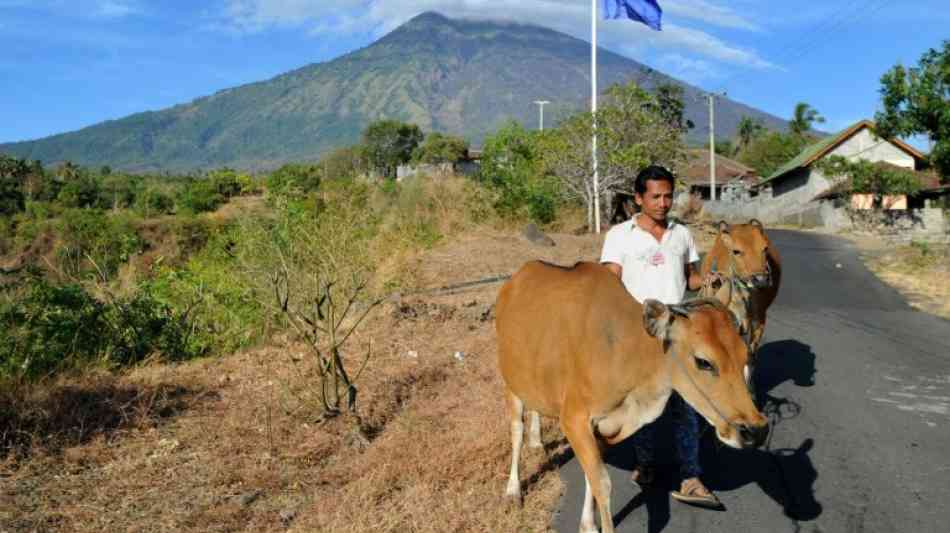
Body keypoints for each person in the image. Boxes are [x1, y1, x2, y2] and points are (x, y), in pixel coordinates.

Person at [599, 164, 721, 509]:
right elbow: (610, 284)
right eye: (655, 196)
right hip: (639, 332)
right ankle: (646, 465)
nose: (663, 203)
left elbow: (689, 279)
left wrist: (712, 280)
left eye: (668, 196)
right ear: (638, 198)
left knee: (686, 406)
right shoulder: (620, 236)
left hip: (679, 332)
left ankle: (692, 477)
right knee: (646, 405)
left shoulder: (681, 234)